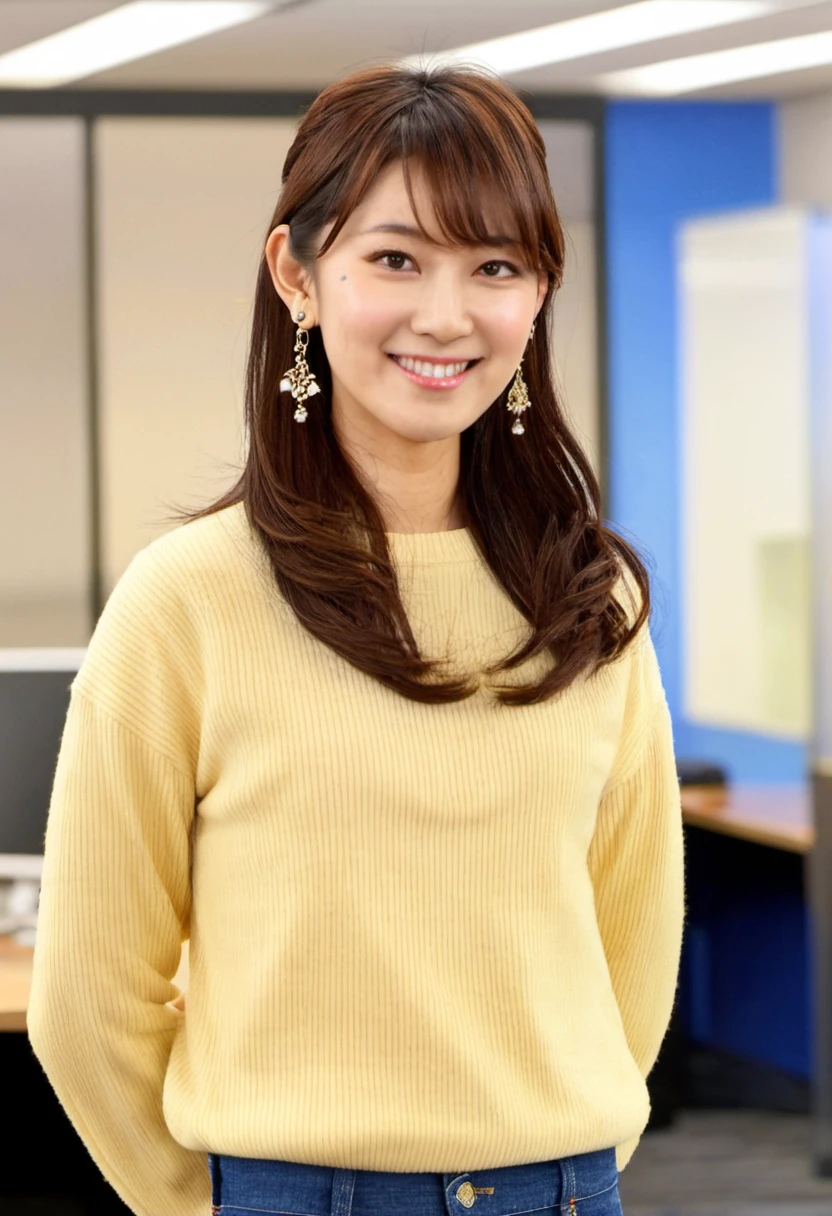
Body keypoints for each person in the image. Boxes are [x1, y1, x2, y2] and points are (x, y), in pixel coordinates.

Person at [28, 62, 685, 1216]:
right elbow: (85, 993)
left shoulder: (588, 602)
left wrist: (563, 1143)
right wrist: (203, 1201)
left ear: (537, 296)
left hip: (563, 1190)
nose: (447, 314)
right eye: (395, 259)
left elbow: (632, 938)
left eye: (495, 266)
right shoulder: (187, 602)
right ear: (298, 275)